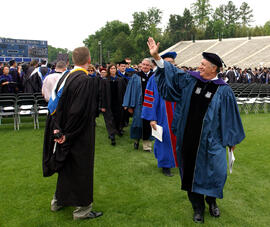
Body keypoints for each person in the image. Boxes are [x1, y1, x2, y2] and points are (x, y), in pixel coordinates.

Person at [147, 37, 245, 223]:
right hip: (188, 139)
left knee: (215, 173)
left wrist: (231, 142)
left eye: (202, 64)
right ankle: (197, 208)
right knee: (190, 174)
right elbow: (172, 74)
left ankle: (212, 202)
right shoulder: (190, 80)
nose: (199, 67)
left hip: (212, 142)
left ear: (213, 68)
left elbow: (230, 118)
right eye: (200, 63)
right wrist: (157, 57)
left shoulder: (224, 91)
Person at [43, 47, 102, 220]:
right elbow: (78, 112)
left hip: (62, 129)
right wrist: (67, 135)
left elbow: (59, 107)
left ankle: (58, 201)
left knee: (66, 168)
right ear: (89, 59)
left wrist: (59, 131)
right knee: (81, 169)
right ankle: (82, 210)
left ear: (72, 60)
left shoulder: (66, 77)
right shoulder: (84, 80)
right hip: (78, 135)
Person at [141, 52, 178, 177]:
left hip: (177, 114)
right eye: (166, 62)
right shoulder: (155, 78)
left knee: (177, 138)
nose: (169, 65)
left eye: (171, 62)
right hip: (162, 114)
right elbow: (149, 99)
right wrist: (152, 118)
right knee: (164, 139)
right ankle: (165, 165)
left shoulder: (178, 77)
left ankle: (176, 161)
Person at [123, 58, 154, 152]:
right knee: (137, 123)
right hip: (138, 105)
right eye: (143, 64)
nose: (144, 66)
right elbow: (130, 91)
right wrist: (128, 105)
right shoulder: (135, 76)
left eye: (147, 65)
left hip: (150, 106)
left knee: (149, 124)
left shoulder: (154, 77)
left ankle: (147, 146)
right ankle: (136, 141)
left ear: (150, 66)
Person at [100, 63, 127, 145]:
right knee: (109, 120)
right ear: (109, 70)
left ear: (116, 70)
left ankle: (118, 130)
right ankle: (112, 136)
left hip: (118, 103)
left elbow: (124, 93)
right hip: (108, 103)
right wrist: (102, 106)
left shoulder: (121, 80)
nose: (113, 70)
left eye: (114, 69)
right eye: (111, 69)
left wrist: (125, 104)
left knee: (117, 118)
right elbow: (101, 94)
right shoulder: (104, 80)